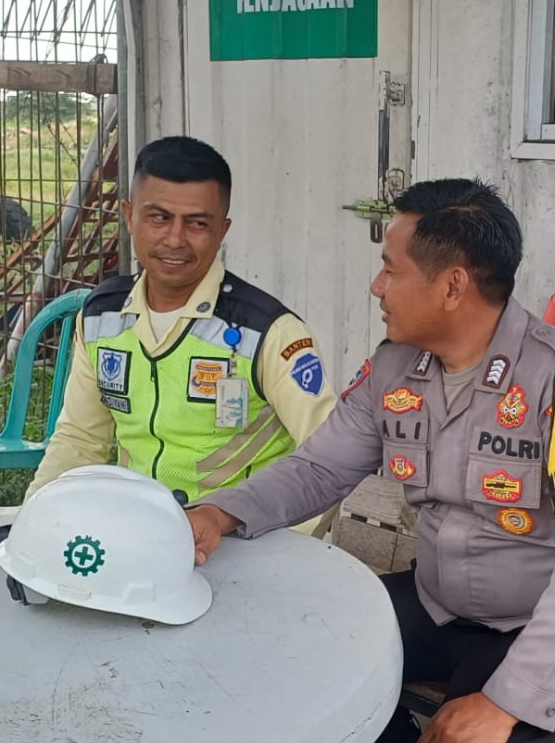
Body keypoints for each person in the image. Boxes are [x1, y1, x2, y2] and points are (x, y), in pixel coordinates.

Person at [186, 179, 555, 743]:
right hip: (438, 606)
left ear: (453, 286)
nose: (377, 287)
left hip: (547, 625)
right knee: (271, 651)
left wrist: (504, 703)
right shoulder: (395, 367)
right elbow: (319, 470)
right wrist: (219, 512)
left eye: (390, 269)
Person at [24, 136, 336, 537]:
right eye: (158, 217)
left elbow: (329, 460)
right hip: (137, 536)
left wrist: (283, 550)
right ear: (129, 216)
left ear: (222, 230)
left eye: (197, 223)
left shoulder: (268, 332)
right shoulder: (102, 317)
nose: (175, 239)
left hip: (241, 543)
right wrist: (32, 524)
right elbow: (79, 440)